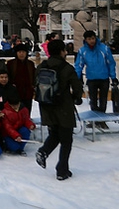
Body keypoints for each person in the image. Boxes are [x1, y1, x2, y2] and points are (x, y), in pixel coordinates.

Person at [36, 39, 84, 180]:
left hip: (46, 106)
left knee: (55, 133)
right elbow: (77, 88)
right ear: (62, 51)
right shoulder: (67, 68)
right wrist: (76, 98)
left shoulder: (42, 66)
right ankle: (62, 170)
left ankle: (44, 151)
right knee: (66, 139)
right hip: (63, 107)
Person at [74, 30, 118, 126]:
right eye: (89, 39)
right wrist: (77, 77)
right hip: (92, 79)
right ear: (85, 40)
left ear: (95, 38)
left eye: (93, 38)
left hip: (104, 78)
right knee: (93, 100)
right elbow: (79, 65)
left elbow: (111, 63)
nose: (91, 41)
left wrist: (113, 77)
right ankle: (94, 120)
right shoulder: (83, 51)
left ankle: (101, 120)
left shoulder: (104, 49)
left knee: (103, 100)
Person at [6, 43, 36, 112]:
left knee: (27, 110)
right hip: (15, 91)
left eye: (23, 52)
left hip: (28, 92)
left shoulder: (30, 64)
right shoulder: (11, 64)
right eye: (19, 52)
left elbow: (34, 76)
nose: (21, 54)